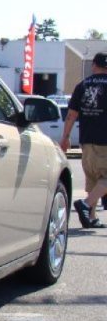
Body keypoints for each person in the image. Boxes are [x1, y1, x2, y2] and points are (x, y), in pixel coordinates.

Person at [61, 52, 107, 228]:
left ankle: (91, 217)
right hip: (105, 140)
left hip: (86, 139)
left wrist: (66, 137)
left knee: (93, 178)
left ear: (94, 65)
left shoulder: (82, 85)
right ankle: (85, 205)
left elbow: (71, 115)